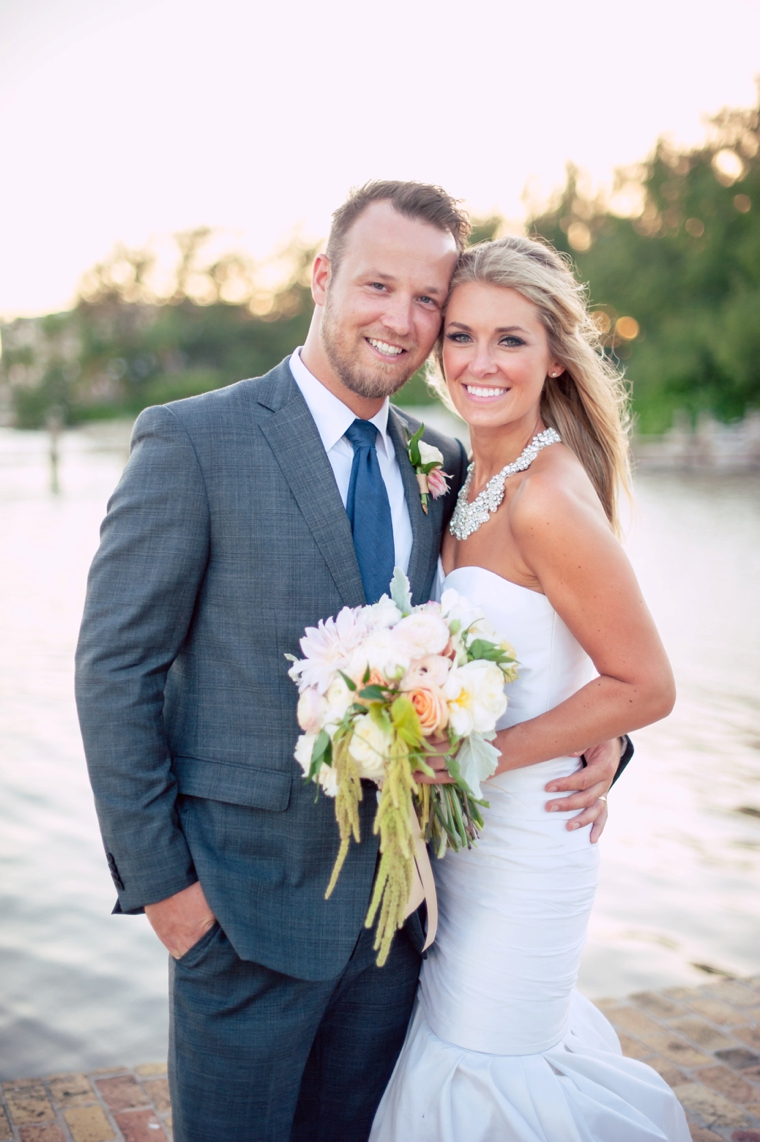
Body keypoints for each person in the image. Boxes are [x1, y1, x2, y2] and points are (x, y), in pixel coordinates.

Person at [75, 183, 625, 1142]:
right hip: (240, 925)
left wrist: (606, 742)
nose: (402, 321)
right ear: (324, 278)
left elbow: (538, 630)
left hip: (402, 931)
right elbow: (114, 673)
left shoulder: (446, 464)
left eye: (428, 301)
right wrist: (169, 897)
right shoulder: (194, 441)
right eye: (379, 285)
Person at [370, 235, 690, 1141]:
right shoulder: (463, 479)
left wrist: (473, 758)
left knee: (488, 1068)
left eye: (511, 340)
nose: (480, 362)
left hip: (526, 848)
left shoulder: (546, 495)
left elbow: (646, 682)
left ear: (555, 356)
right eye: (462, 336)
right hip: (464, 848)